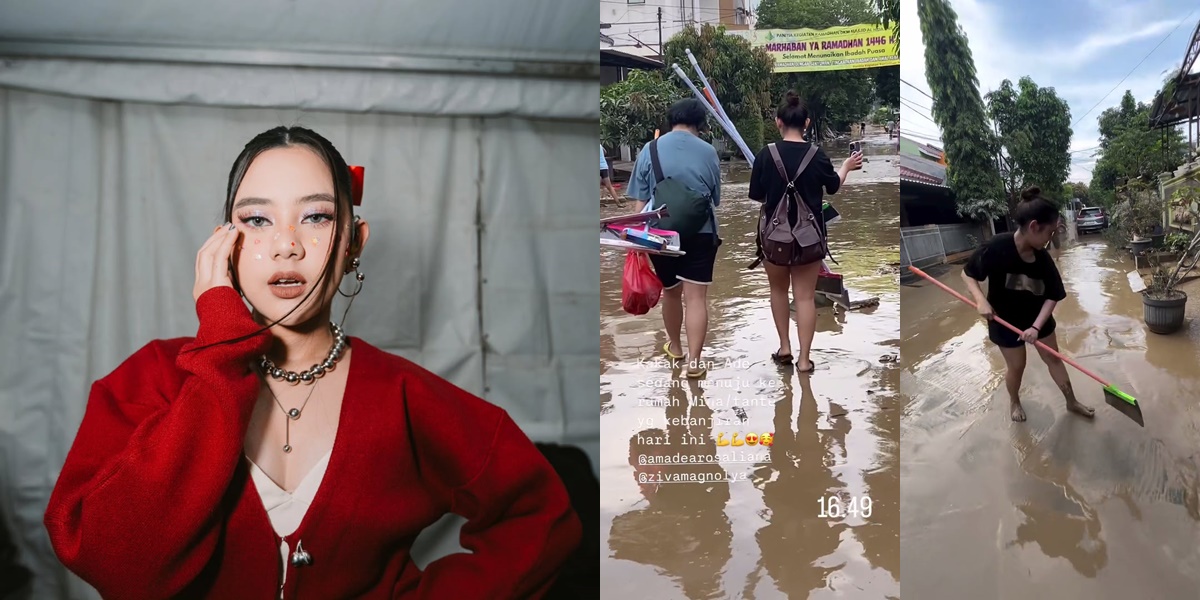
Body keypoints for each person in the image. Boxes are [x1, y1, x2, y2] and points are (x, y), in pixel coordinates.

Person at [43, 126, 581, 599]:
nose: (286, 245)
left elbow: (540, 519)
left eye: (317, 216)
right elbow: (119, 569)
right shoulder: (152, 378)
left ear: (354, 243)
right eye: (256, 219)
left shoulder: (406, 397)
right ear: (223, 244)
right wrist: (219, 359)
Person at [748, 91, 861, 372]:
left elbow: (756, 195)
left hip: (774, 239)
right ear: (807, 123)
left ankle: (785, 348)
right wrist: (845, 166)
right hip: (809, 240)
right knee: (805, 297)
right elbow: (834, 187)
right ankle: (804, 360)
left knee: (777, 291)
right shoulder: (817, 156)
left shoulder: (765, 155)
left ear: (778, 122)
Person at [961, 185, 1095, 422]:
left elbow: (1053, 295)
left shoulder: (1043, 259)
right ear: (1034, 227)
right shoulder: (996, 247)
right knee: (1018, 366)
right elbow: (967, 274)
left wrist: (1035, 327)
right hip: (1002, 319)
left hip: (1037, 317)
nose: (1052, 238)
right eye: (1050, 232)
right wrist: (980, 300)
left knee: (1053, 358)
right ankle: (1014, 402)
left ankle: (1071, 402)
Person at [626, 99, 721, 378]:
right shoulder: (708, 152)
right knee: (696, 298)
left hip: (660, 235)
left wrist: (637, 242)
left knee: (671, 291)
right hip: (701, 232)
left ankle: (676, 348)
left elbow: (640, 200)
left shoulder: (650, 149)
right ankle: (694, 364)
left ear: (671, 120)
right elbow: (715, 198)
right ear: (699, 124)